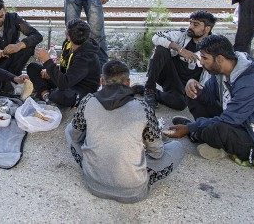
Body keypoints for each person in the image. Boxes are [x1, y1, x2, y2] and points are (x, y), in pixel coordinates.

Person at [65, 60, 184, 203]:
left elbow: (74, 135)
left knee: (69, 130)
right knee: (177, 147)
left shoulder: (88, 101)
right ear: (128, 83)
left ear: (102, 81)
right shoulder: (143, 107)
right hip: (133, 192)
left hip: (93, 184)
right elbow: (156, 153)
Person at [167, 35, 254, 166]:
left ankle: (200, 135)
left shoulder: (251, 84)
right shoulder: (222, 72)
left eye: (205, 58)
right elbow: (208, 97)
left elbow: (228, 120)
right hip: (237, 122)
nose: (201, 62)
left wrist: (189, 128)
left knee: (218, 129)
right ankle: (203, 134)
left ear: (219, 59)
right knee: (194, 93)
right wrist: (191, 83)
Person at [133, 11, 216, 110]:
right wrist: (180, 49)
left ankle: (144, 90)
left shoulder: (215, 45)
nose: (190, 27)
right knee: (161, 49)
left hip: (187, 86)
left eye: (195, 25)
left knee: (180, 104)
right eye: (190, 23)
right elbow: (156, 37)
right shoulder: (183, 34)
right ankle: (149, 88)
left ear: (207, 28)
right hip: (170, 76)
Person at [26, 18, 100, 107]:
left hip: (81, 89)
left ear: (69, 36)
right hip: (69, 80)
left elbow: (64, 83)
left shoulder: (86, 57)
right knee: (32, 67)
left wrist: (47, 61)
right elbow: (66, 69)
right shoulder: (69, 44)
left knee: (59, 94)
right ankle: (46, 95)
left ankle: (50, 96)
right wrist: (50, 71)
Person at [0, 0, 43, 75]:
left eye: (1, 16)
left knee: (28, 47)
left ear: (5, 11)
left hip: (14, 59)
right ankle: (7, 80)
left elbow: (37, 35)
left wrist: (19, 45)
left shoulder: (13, 18)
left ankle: (12, 78)